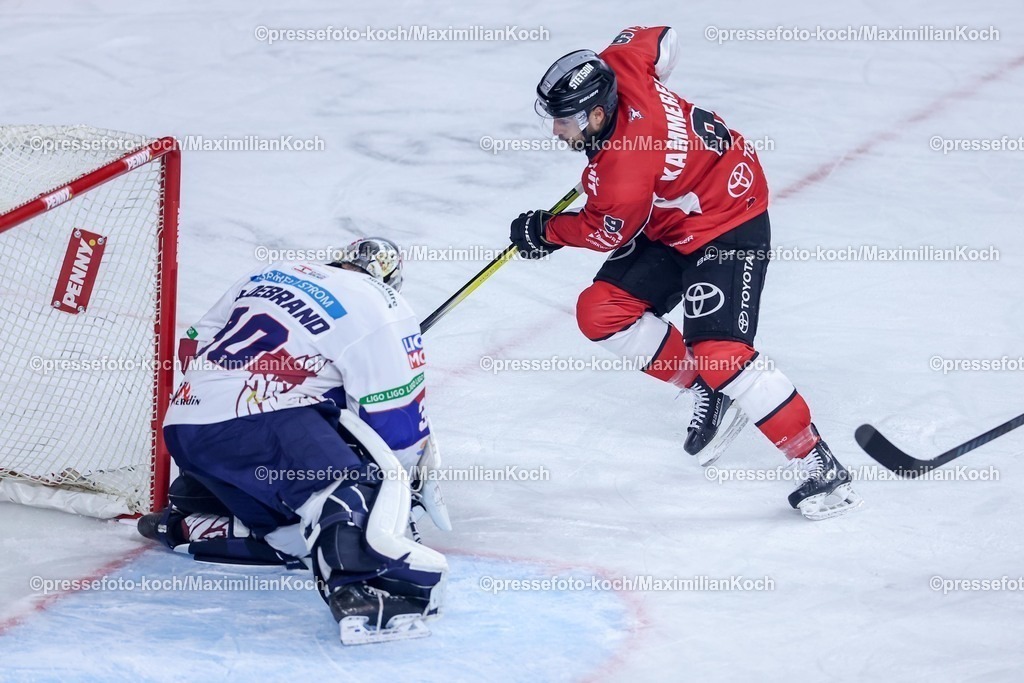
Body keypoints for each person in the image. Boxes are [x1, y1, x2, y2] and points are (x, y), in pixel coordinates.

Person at [509, 26, 862, 519]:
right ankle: (707, 389)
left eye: (564, 121)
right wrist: (661, 119)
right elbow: (663, 37)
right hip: (676, 216)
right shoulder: (622, 63)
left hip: (726, 221)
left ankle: (819, 465)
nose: (556, 131)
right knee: (601, 312)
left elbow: (606, 231)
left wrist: (546, 231)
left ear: (596, 113)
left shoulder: (624, 174)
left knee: (721, 354)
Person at [137, 238, 451, 644]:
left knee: (299, 538)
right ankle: (359, 593)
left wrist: (314, 389)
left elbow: (193, 346)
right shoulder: (385, 304)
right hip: (261, 421)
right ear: (391, 279)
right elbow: (396, 420)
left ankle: (191, 520)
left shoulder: (272, 272)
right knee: (354, 488)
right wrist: (401, 490)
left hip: (186, 424)